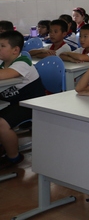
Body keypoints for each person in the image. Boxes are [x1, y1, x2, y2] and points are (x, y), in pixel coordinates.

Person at [0, 31, 45, 169]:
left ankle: (14, 156)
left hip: (31, 104)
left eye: (2, 46)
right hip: (13, 102)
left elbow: (4, 75)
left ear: (15, 50)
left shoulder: (23, 62)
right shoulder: (2, 62)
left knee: (1, 123)